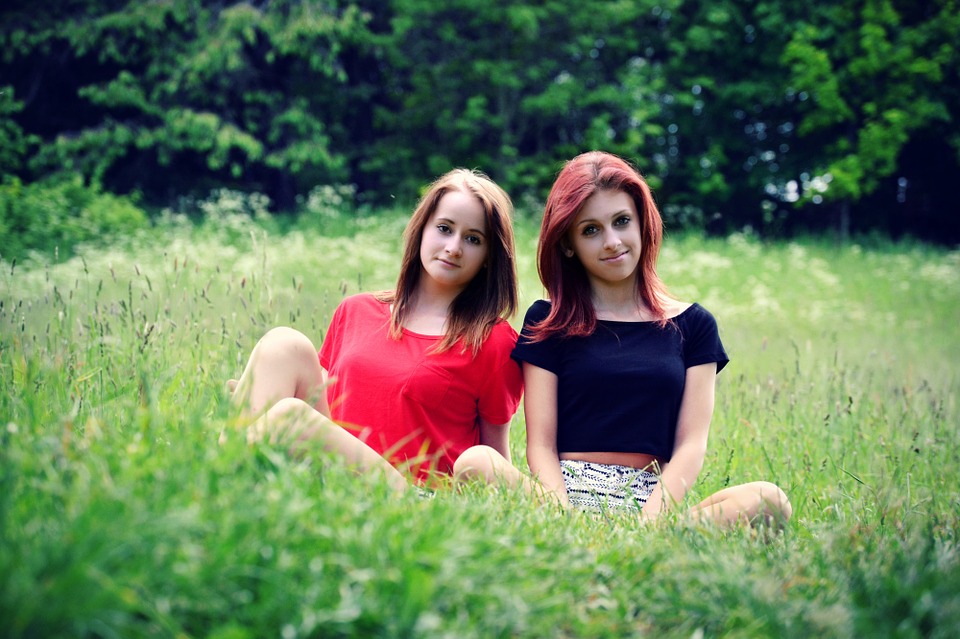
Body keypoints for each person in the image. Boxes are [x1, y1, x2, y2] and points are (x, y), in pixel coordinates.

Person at [511, 151, 792, 527]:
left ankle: (655, 538)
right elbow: (541, 445)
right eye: (591, 230)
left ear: (642, 222)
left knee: (770, 500)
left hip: (652, 503)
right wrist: (563, 517)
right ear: (567, 243)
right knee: (477, 462)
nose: (612, 241)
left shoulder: (694, 325)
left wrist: (649, 523)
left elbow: (691, 445)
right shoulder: (548, 320)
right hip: (564, 497)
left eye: (622, 221)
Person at [226, 168, 524, 492]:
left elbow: (494, 457)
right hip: (335, 474)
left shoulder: (491, 340)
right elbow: (331, 406)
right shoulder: (356, 310)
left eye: (473, 239)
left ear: (488, 256)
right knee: (283, 343)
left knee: (290, 417)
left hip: (411, 496)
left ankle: (223, 476)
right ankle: (226, 483)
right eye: (444, 228)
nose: (454, 247)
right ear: (421, 229)